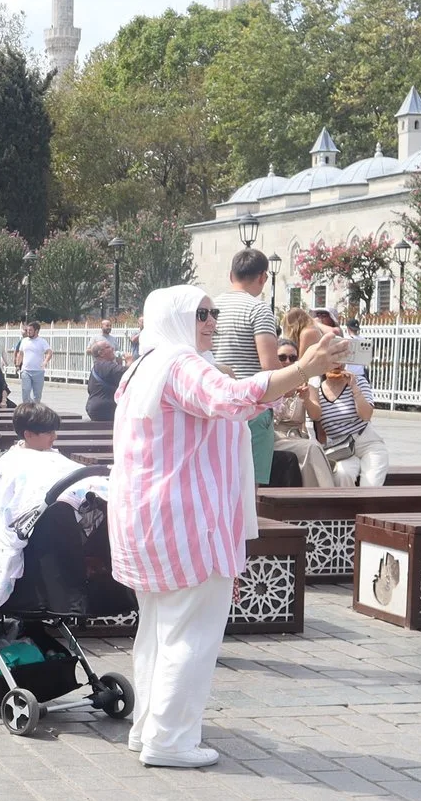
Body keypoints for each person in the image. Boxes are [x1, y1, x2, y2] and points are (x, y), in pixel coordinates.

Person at [110, 287, 341, 770]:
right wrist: (303, 369)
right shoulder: (181, 364)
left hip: (152, 521)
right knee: (190, 635)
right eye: (201, 314)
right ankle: (170, 741)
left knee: (157, 631)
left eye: (213, 312)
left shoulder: (144, 366)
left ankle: (150, 728)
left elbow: (227, 406)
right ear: (176, 318)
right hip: (188, 521)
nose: (212, 321)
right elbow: (233, 399)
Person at [0, 403, 95, 615]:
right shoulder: (12, 462)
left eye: (55, 431)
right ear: (29, 434)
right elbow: (14, 510)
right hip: (31, 542)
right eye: (48, 432)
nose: (54, 437)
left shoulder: (54, 459)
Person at [213, 249, 281, 486]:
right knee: (249, 486)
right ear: (263, 277)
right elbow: (269, 367)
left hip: (217, 406)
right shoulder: (258, 309)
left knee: (220, 481)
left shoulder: (211, 308)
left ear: (231, 274)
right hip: (250, 407)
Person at [269, 316, 335, 487]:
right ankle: (324, 499)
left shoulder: (305, 380)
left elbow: (316, 414)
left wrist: (306, 400)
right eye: (282, 358)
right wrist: (280, 396)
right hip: (275, 437)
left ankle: (322, 499)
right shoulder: (269, 382)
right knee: (311, 448)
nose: (287, 362)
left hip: (297, 436)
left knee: (311, 447)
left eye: (293, 358)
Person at [303, 361, 389, 486]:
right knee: (341, 475)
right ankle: (346, 506)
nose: (337, 364)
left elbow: (366, 415)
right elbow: (315, 416)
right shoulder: (316, 388)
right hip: (341, 448)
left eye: (340, 359)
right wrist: (306, 399)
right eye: (331, 360)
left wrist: (354, 388)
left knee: (370, 487)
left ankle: (365, 504)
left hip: (367, 443)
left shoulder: (358, 381)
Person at [82, 339, 125, 424]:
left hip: (96, 409)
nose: (112, 348)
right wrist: (130, 362)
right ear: (101, 353)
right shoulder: (104, 365)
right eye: (108, 347)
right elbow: (128, 372)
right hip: (105, 410)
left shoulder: (98, 366)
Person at [15, 321, 51, 406]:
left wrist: (45, 361)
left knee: (37, 395)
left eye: (30, 330)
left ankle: (35, 411)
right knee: (26, 391)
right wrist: (17, 365)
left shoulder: (42, 341)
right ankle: (26, 409)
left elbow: (49, 352)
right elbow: (20, 354)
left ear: (37, 331)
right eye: (27, 330)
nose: (28, 332)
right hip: (26, 370)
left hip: (38, 371)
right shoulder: (24, 341)